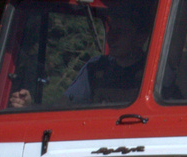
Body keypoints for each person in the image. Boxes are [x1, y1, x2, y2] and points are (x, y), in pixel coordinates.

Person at [8, 12, 147, 108]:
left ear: (141, 38)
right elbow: (62, 107)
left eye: (121, 31)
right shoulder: (96, 67)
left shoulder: (153, 69)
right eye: (112, 31)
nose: (112, 38)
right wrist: (30, 106)